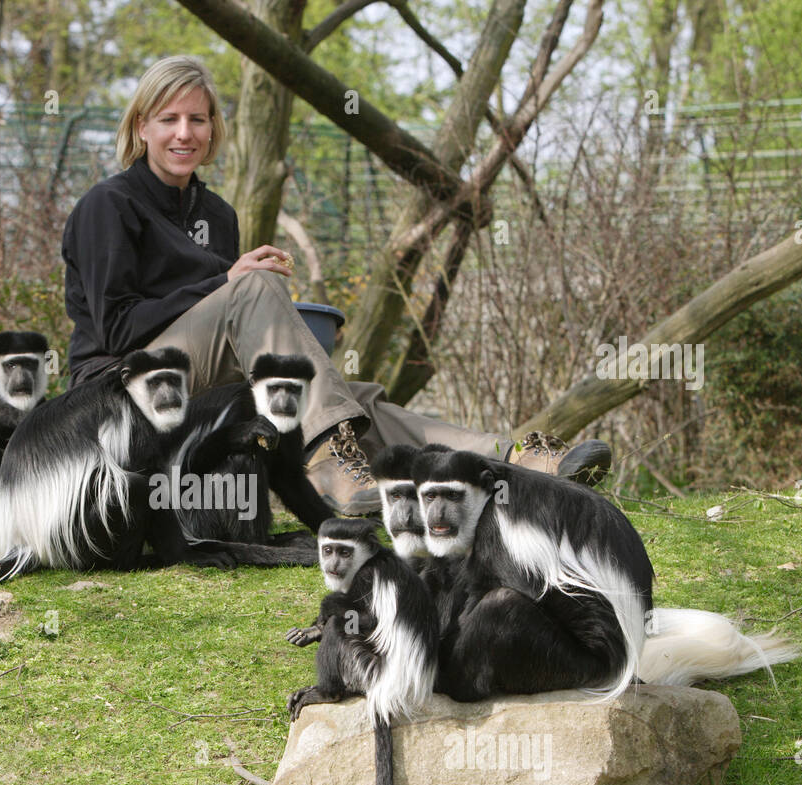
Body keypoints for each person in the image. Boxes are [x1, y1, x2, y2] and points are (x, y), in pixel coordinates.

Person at [61, 56, 609, 513]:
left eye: (198, 120)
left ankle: (510, 461)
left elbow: (223, 320)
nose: (185, 133)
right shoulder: (108, 206)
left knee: (354, 398)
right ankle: (329, 459)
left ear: (213, 130)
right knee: (256, 290)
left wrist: (266, 316)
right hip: (118, 395)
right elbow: (115, 328)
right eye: (169, 119)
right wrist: (230, 283)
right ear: (141, 127)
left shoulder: (216, 215)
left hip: (197, 386)